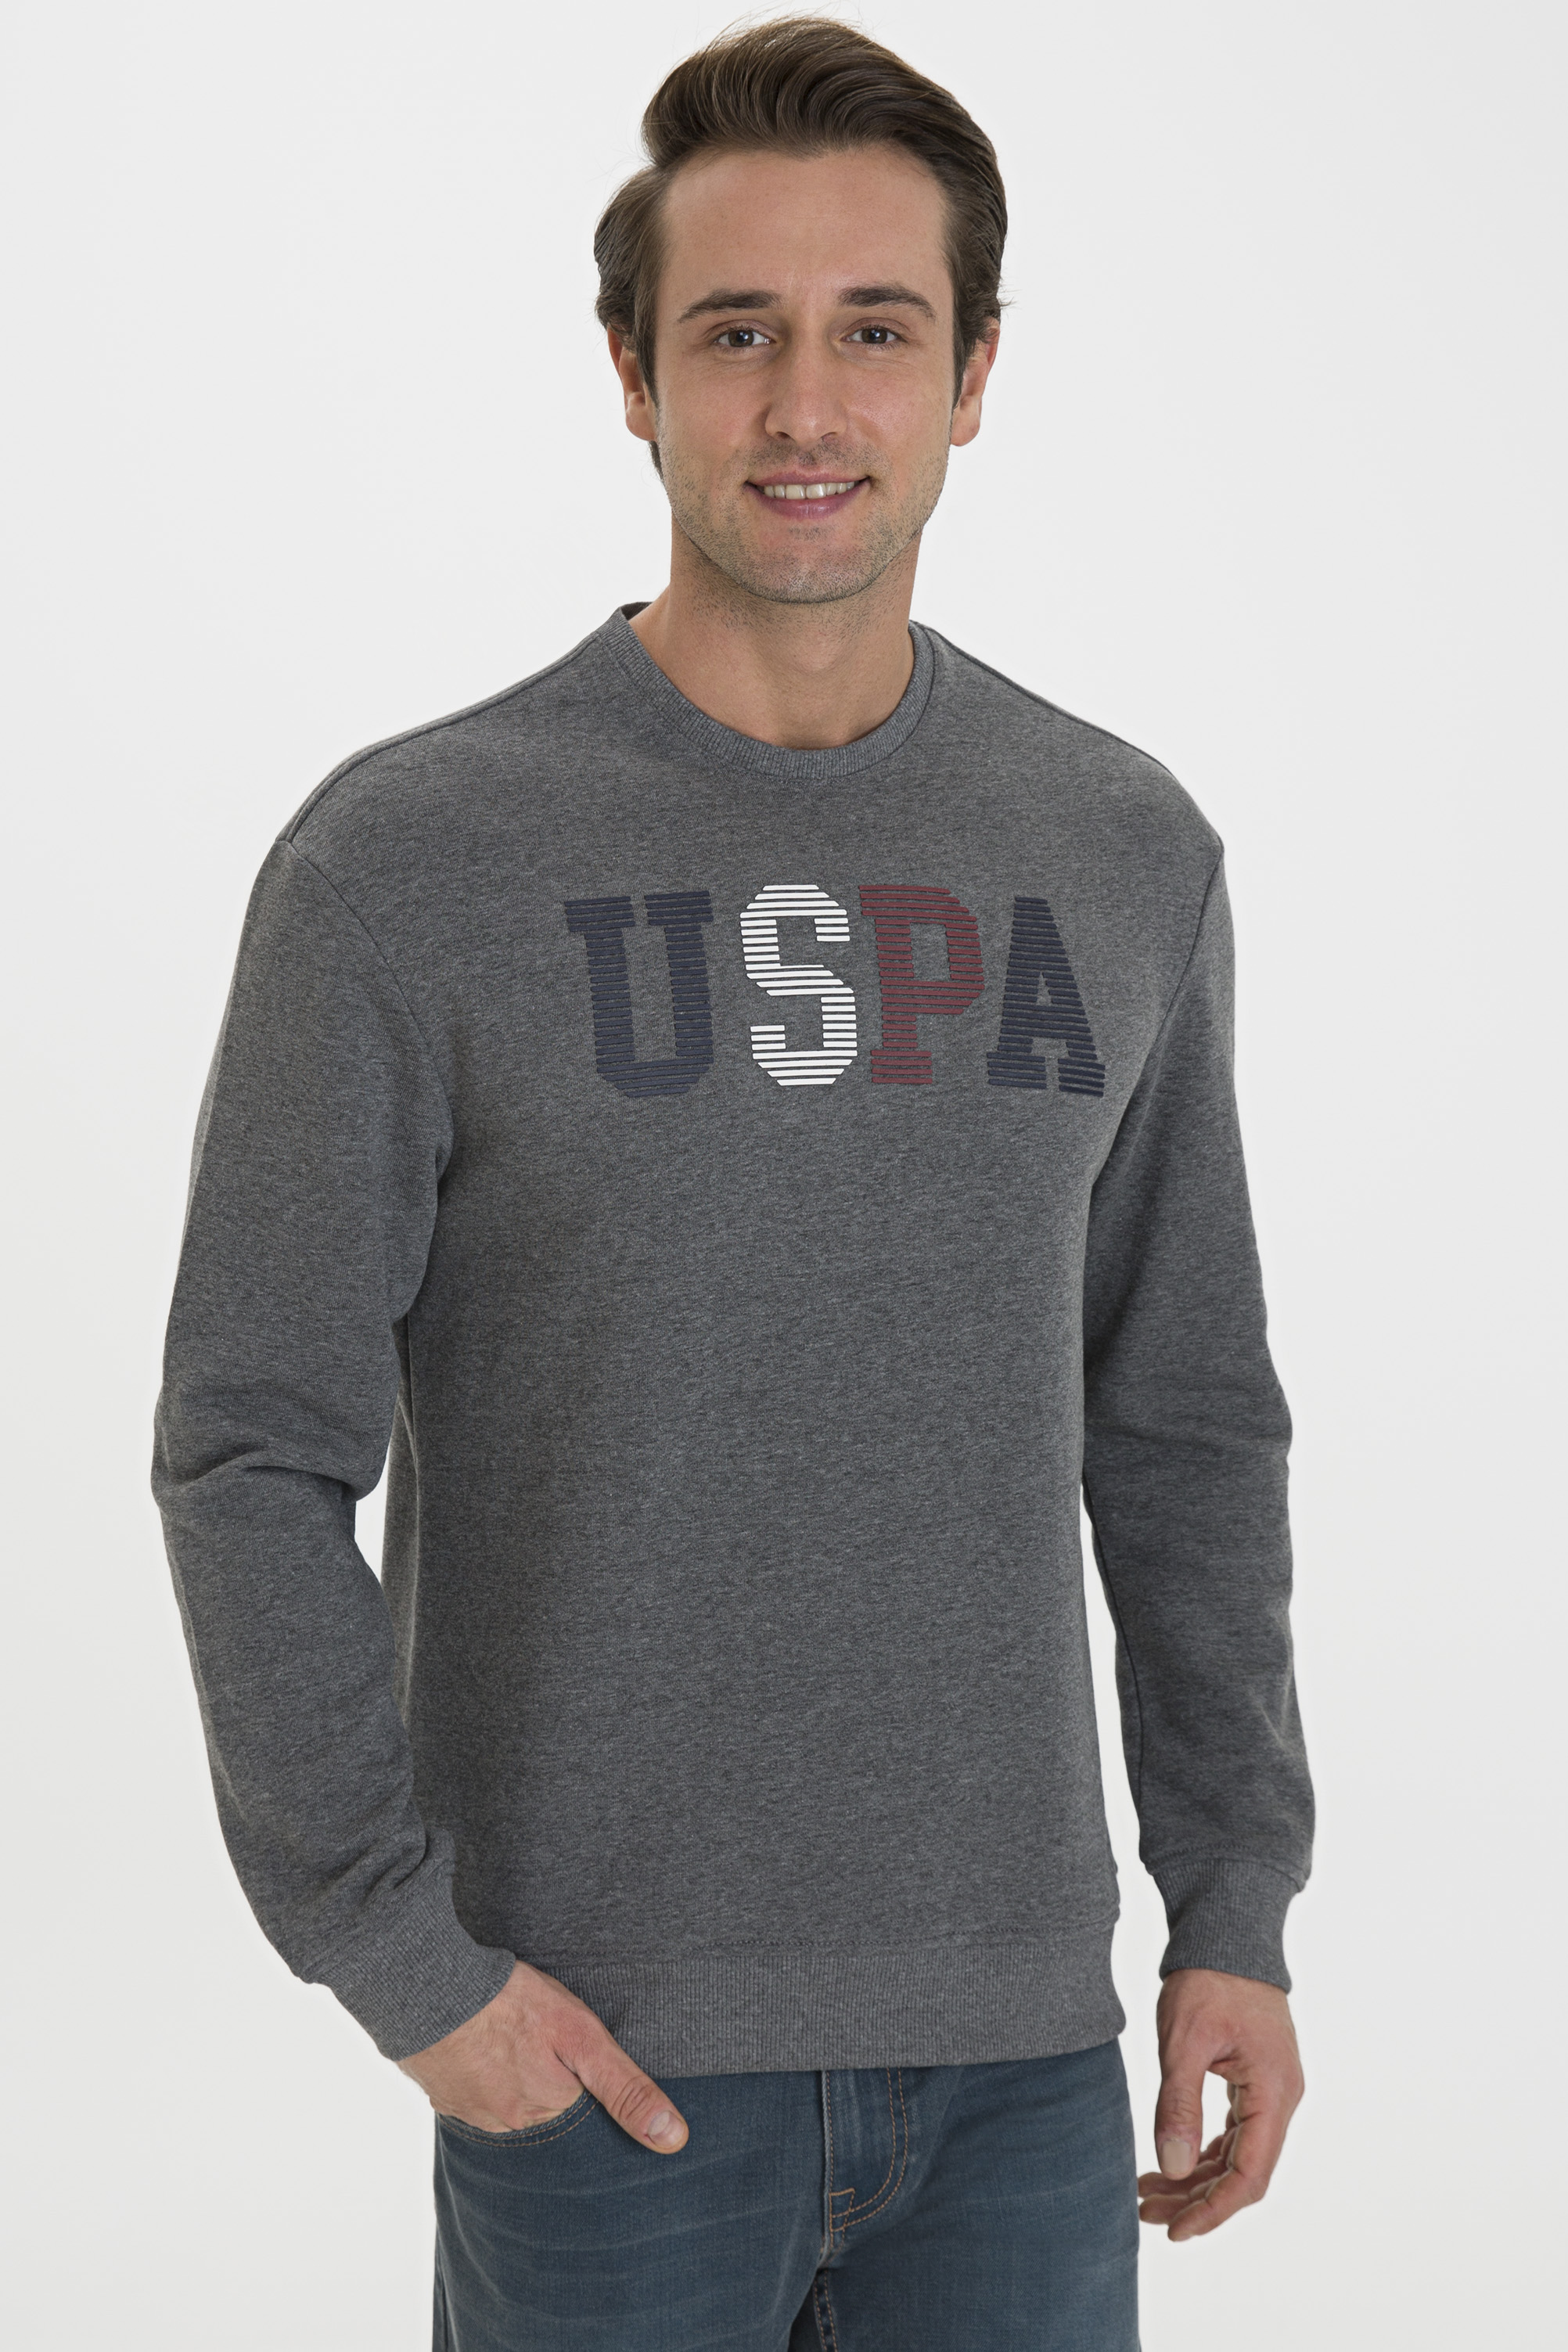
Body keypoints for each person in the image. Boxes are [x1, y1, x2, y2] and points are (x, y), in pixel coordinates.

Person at [153, 17, 1311, 2348]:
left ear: (972, 376)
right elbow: (252, 1448)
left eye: (875, 330)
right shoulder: (406, 866)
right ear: (633, 375)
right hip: (595, 2063)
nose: (806, 404)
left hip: (1023, 2062)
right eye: (736, 331)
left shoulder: (1118, 852)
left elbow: (1184, 1421)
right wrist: (402, 1962)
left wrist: (1233, 1906)